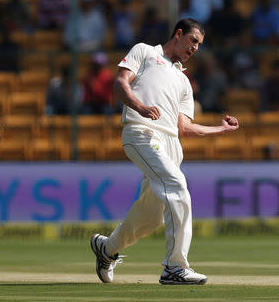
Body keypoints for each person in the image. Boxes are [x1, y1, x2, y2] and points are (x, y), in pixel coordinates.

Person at [90, 18, 239, 285]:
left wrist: (221, 130)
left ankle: (107, 248)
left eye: (199, 45)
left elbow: (185, 126)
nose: (195, 48)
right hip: (141, 132)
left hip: (170, 146)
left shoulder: (183, 81)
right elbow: (120, 83)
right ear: (178, 34)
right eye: (193, 41)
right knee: (177, 185)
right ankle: (175, 267)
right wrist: (140, 107)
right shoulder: (145, 51)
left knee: (150, 217)